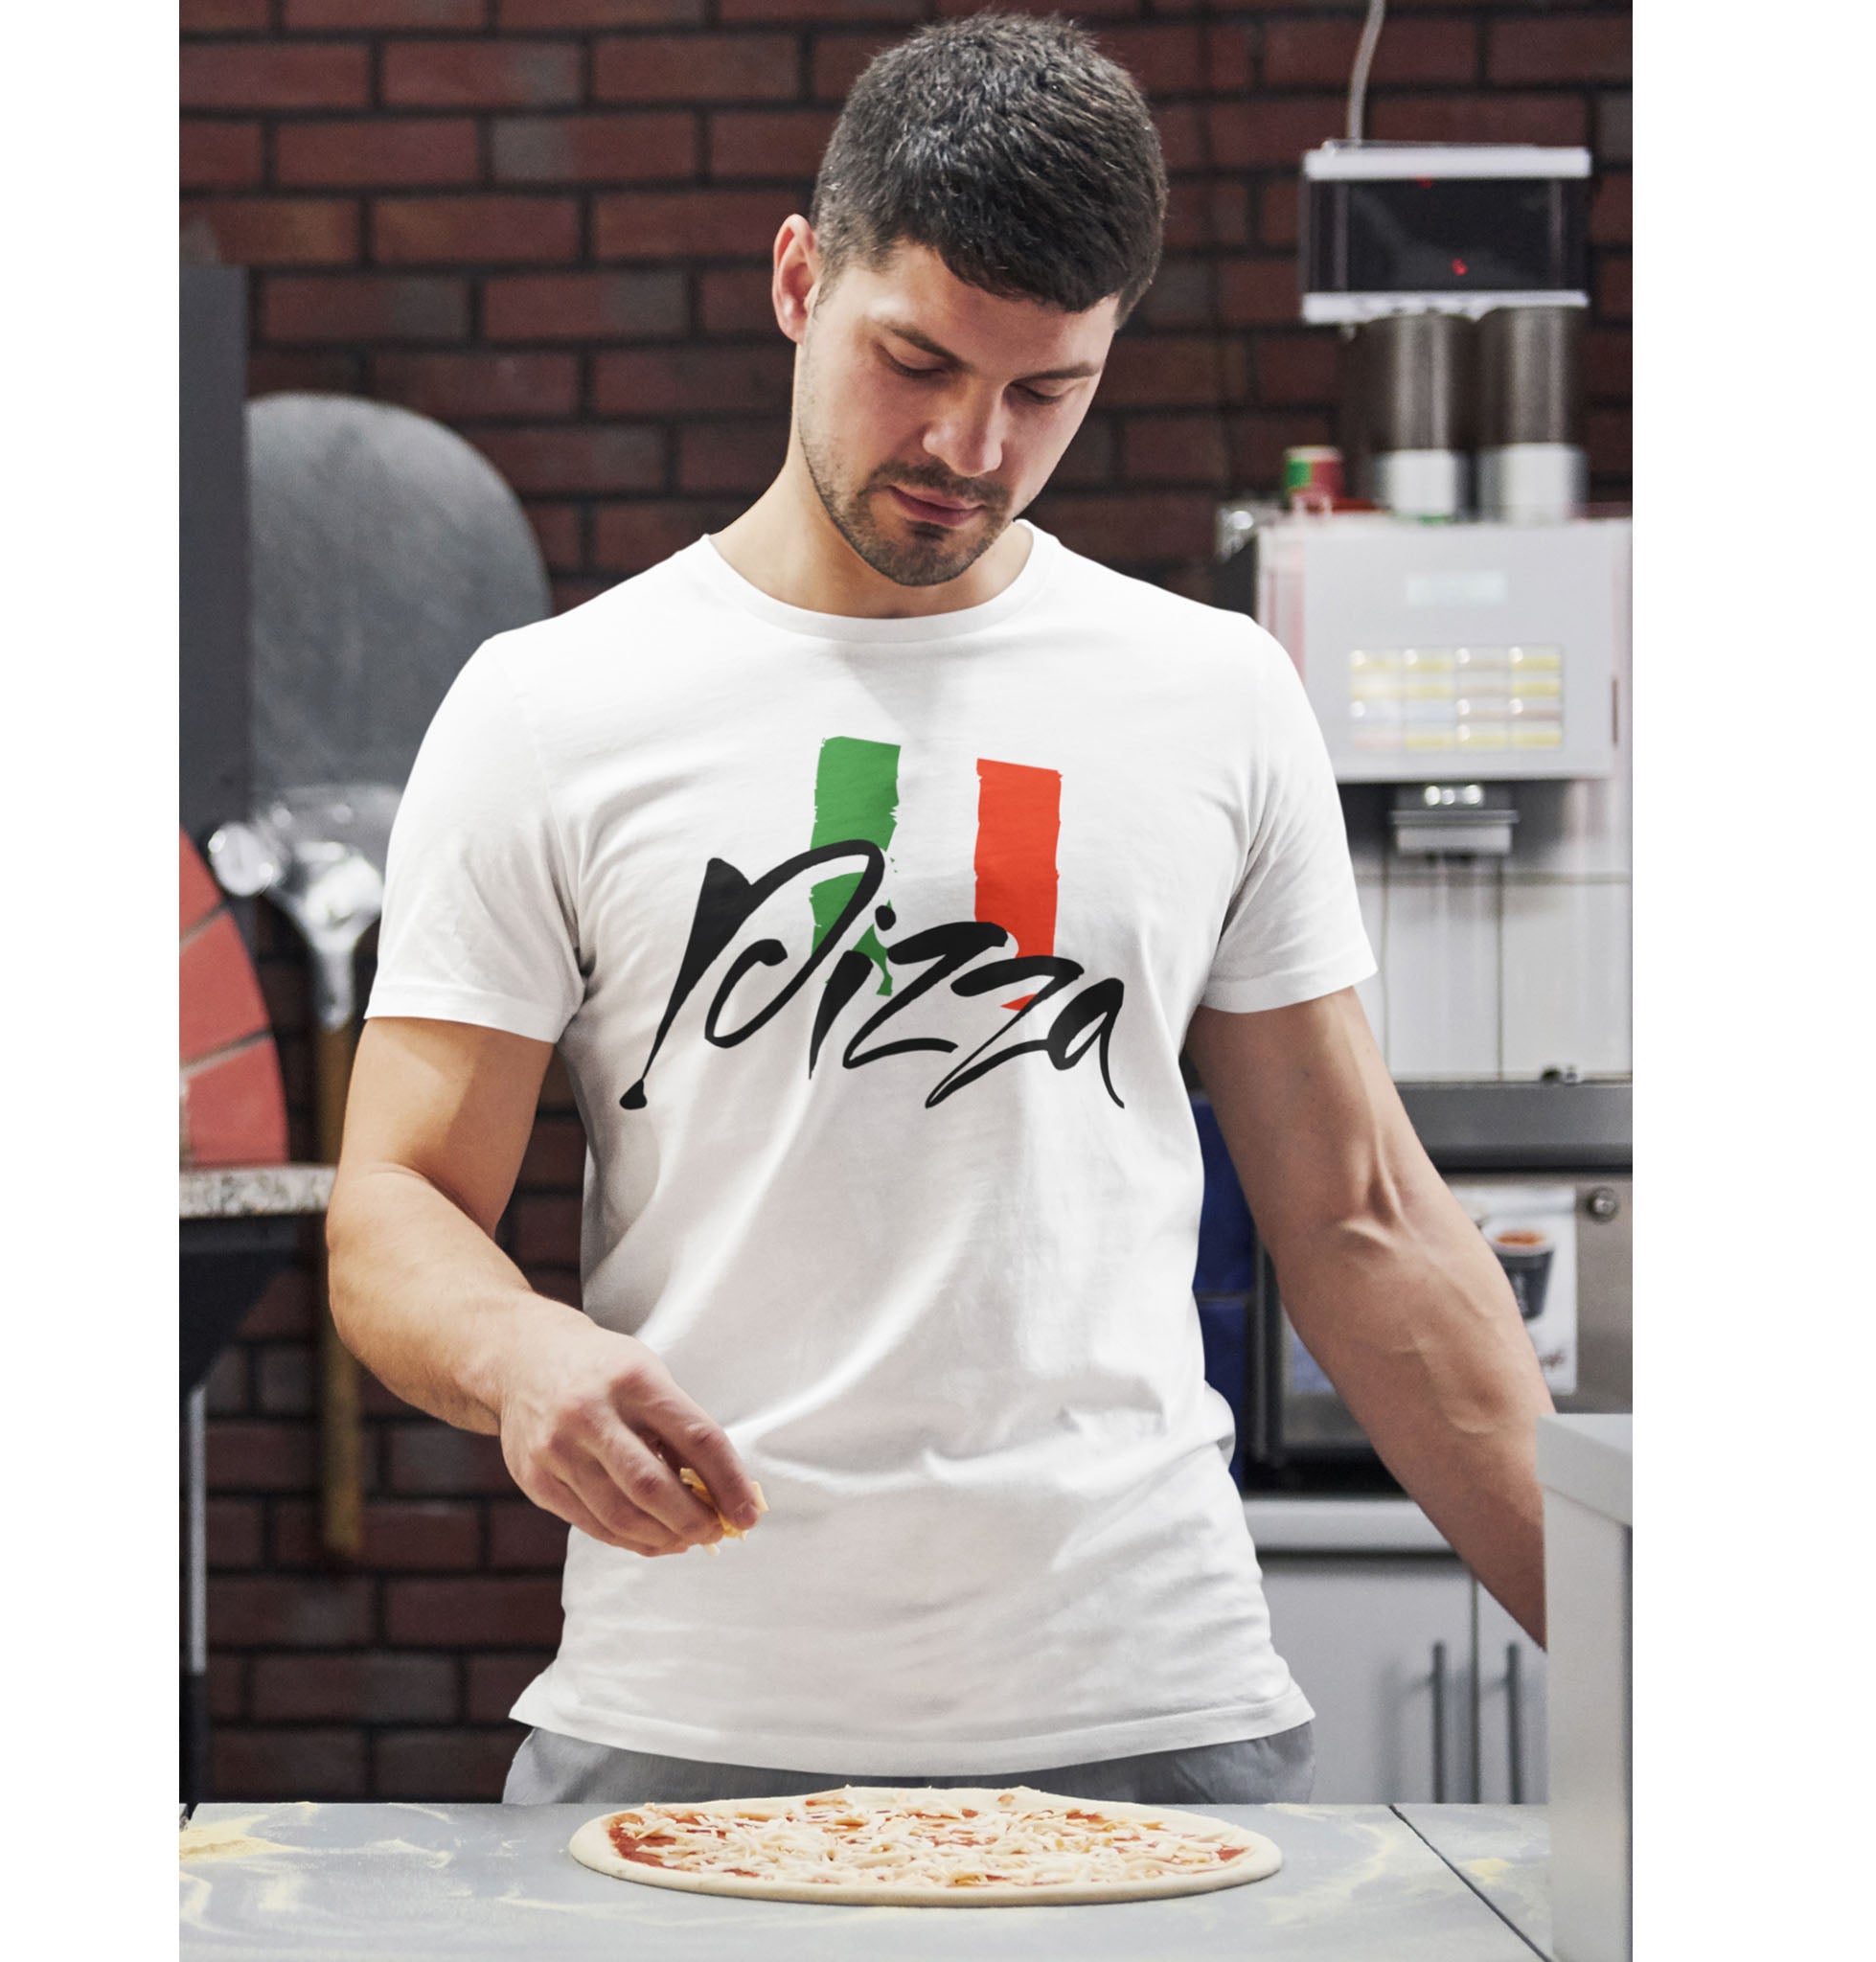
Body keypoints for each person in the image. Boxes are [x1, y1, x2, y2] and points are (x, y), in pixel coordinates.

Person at [328, 13, 1553, 1810]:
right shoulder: (549, 707)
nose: (971, 447)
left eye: (1045, 391)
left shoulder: (1210, 694)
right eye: (916, 361)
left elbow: (1363, 1223)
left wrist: (1648, 1660)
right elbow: (398, 1204)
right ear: (799, 280)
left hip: (1152, 1711)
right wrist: (521, 1353)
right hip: (691, 1719)